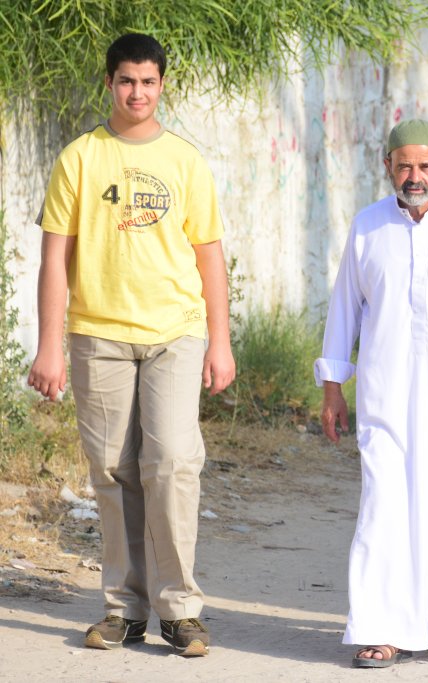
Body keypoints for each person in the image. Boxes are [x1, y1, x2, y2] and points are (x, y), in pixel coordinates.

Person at [26, 33, 234, 657]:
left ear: (161, 85)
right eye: (126, 81)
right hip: (98, 334)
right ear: (110, 83)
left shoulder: (185, 161)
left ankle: (181, 610)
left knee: (171, 462)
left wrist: (220, 342)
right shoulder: (80, 158)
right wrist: (49, 345)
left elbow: (210, 256)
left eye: (147, 81)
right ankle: (123, 609)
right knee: (115, 473)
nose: (136, 92)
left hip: (175, 332)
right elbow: (55, 258)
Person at [315, 119, 428, 668]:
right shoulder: (368, 226)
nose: (414, 176)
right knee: (384, 505)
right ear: (387, 167)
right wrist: (333, 389)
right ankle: (379, 627)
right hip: (384, 392)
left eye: (424, 166)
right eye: (403, 166)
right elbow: (344, 310)